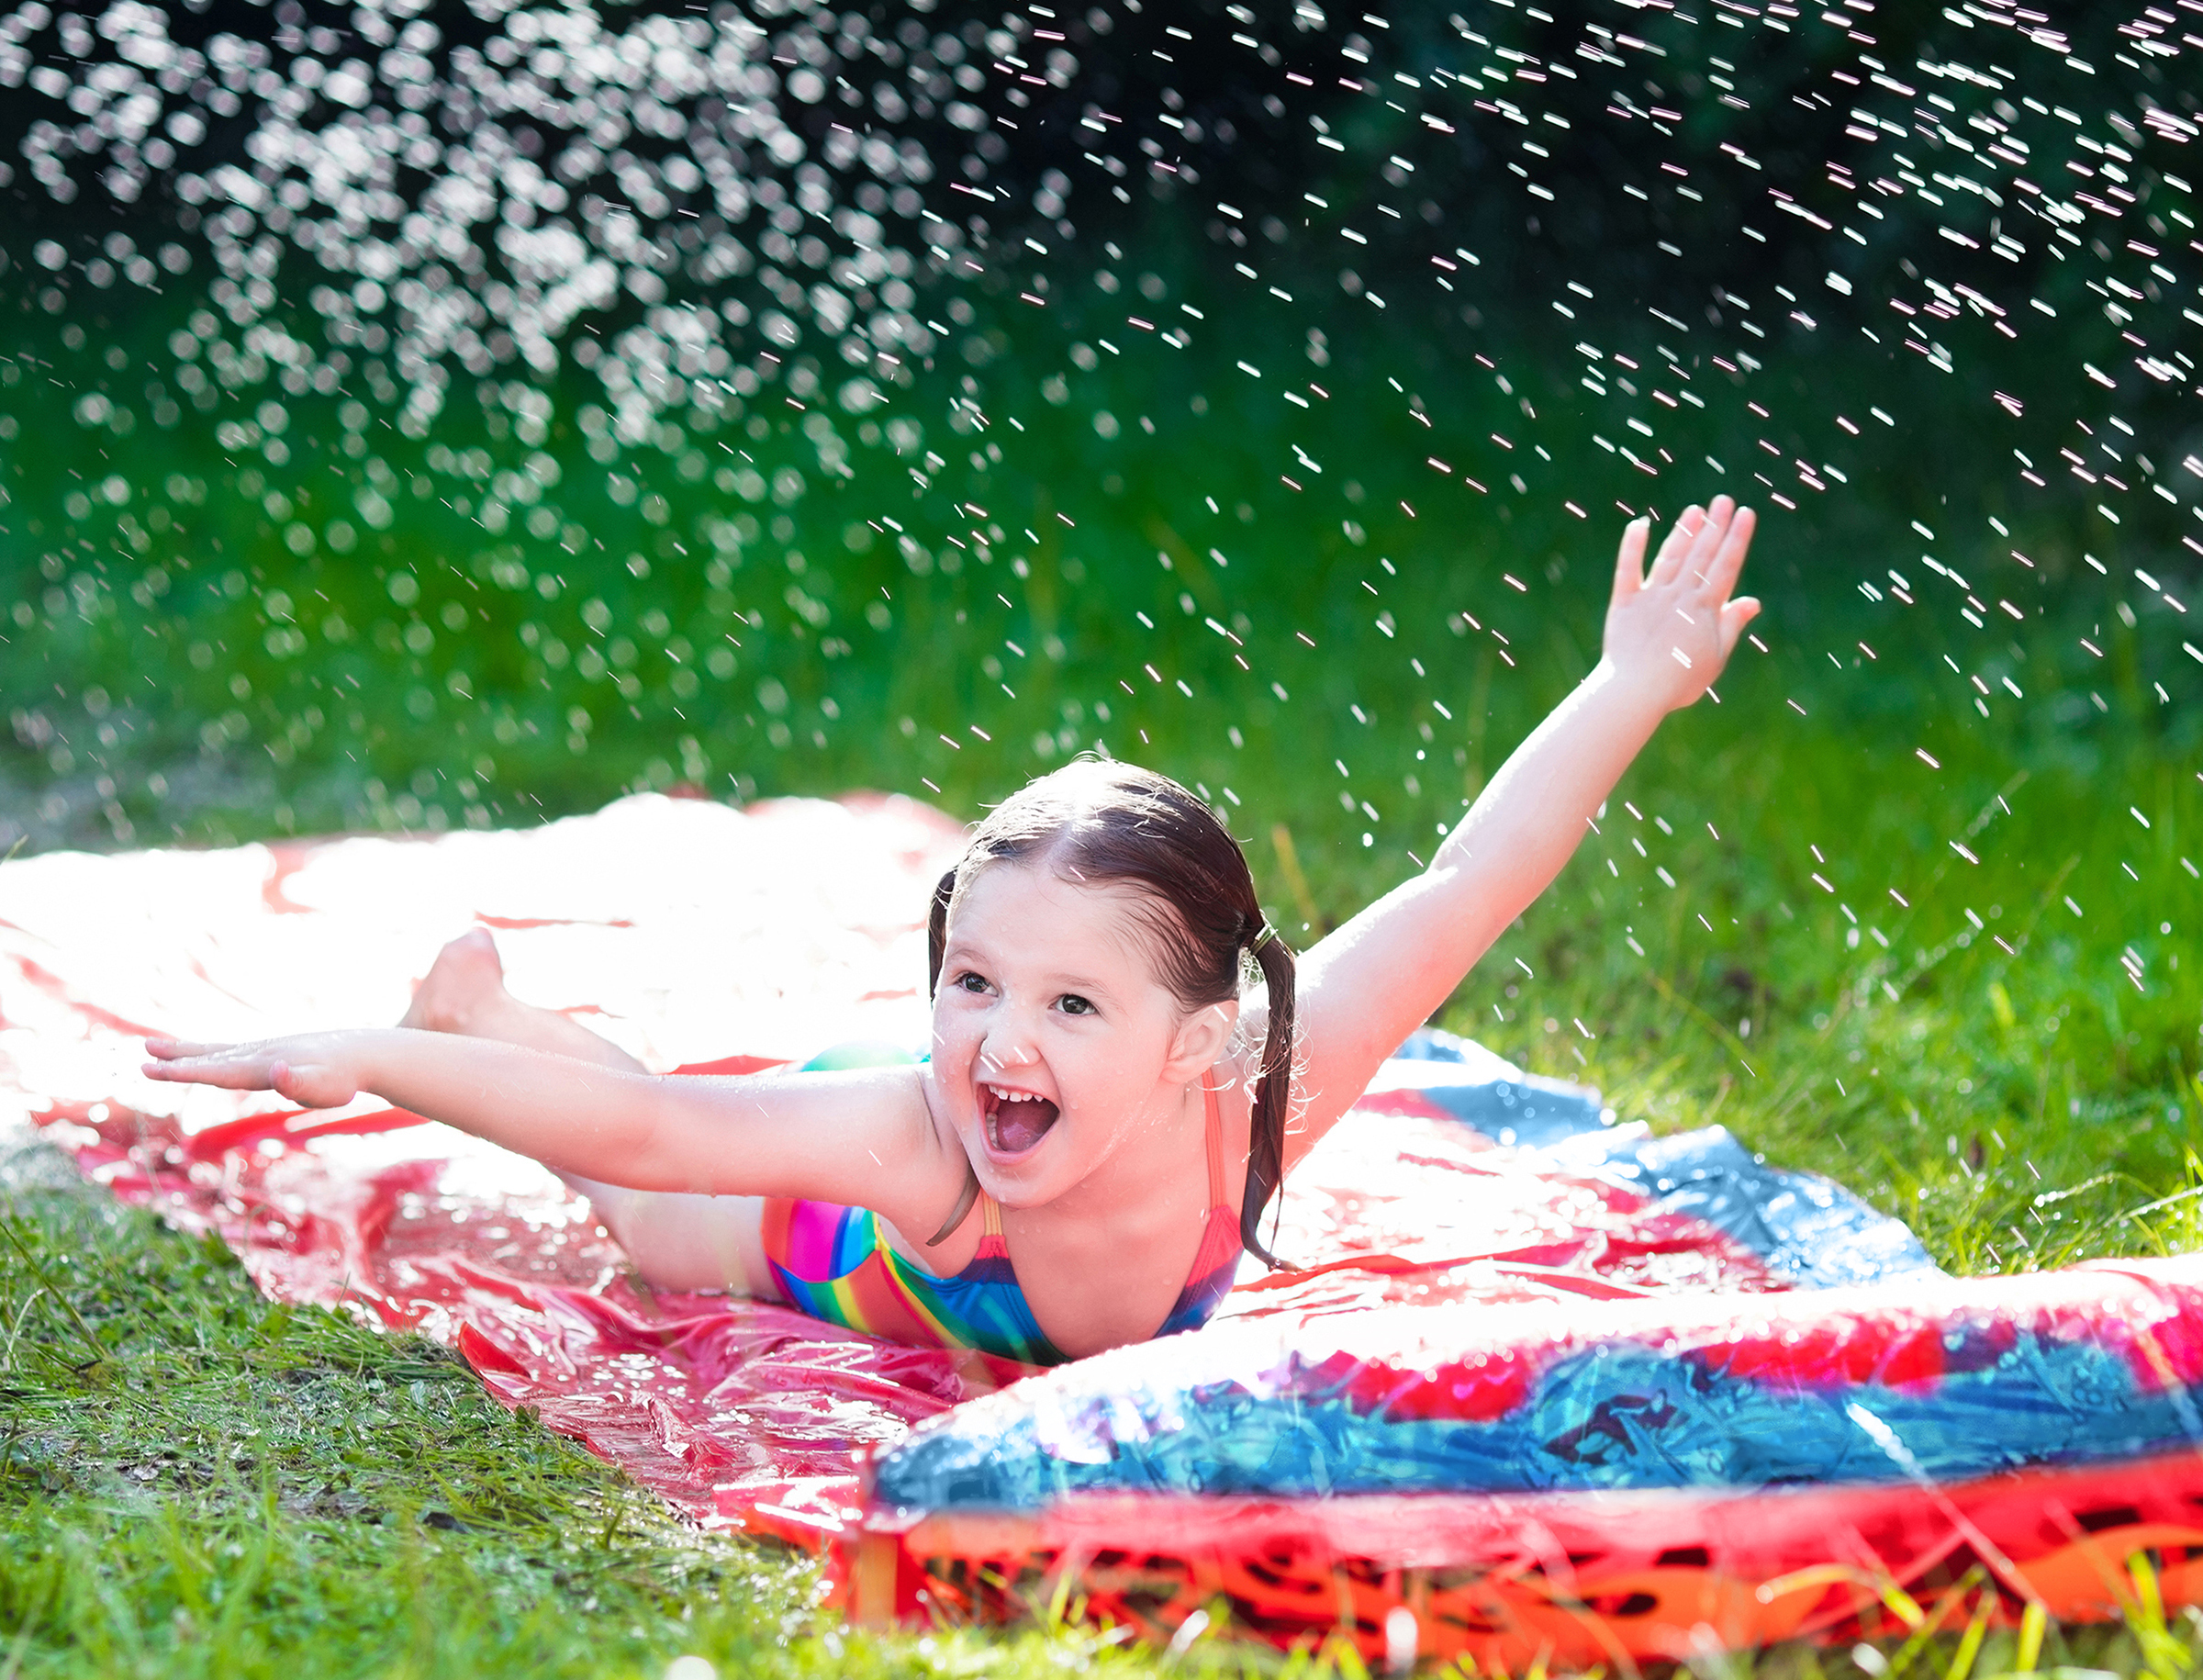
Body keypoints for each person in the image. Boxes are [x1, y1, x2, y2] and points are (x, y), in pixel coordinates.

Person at [143, 497, 1761, 1363]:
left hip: (997, 1141)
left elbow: (1469, 881)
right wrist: (374, 1064)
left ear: (1201, 1035)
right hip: (861, 1238)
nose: (1002, 1030)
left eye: (1070, 1003)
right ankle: (470, 1019)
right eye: (974, 977)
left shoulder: (1268, 1080)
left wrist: (1629, 683)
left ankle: (478, 1009)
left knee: (664, 1150)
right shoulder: (930, 1134)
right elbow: (646, 1124)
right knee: (643, 1209)